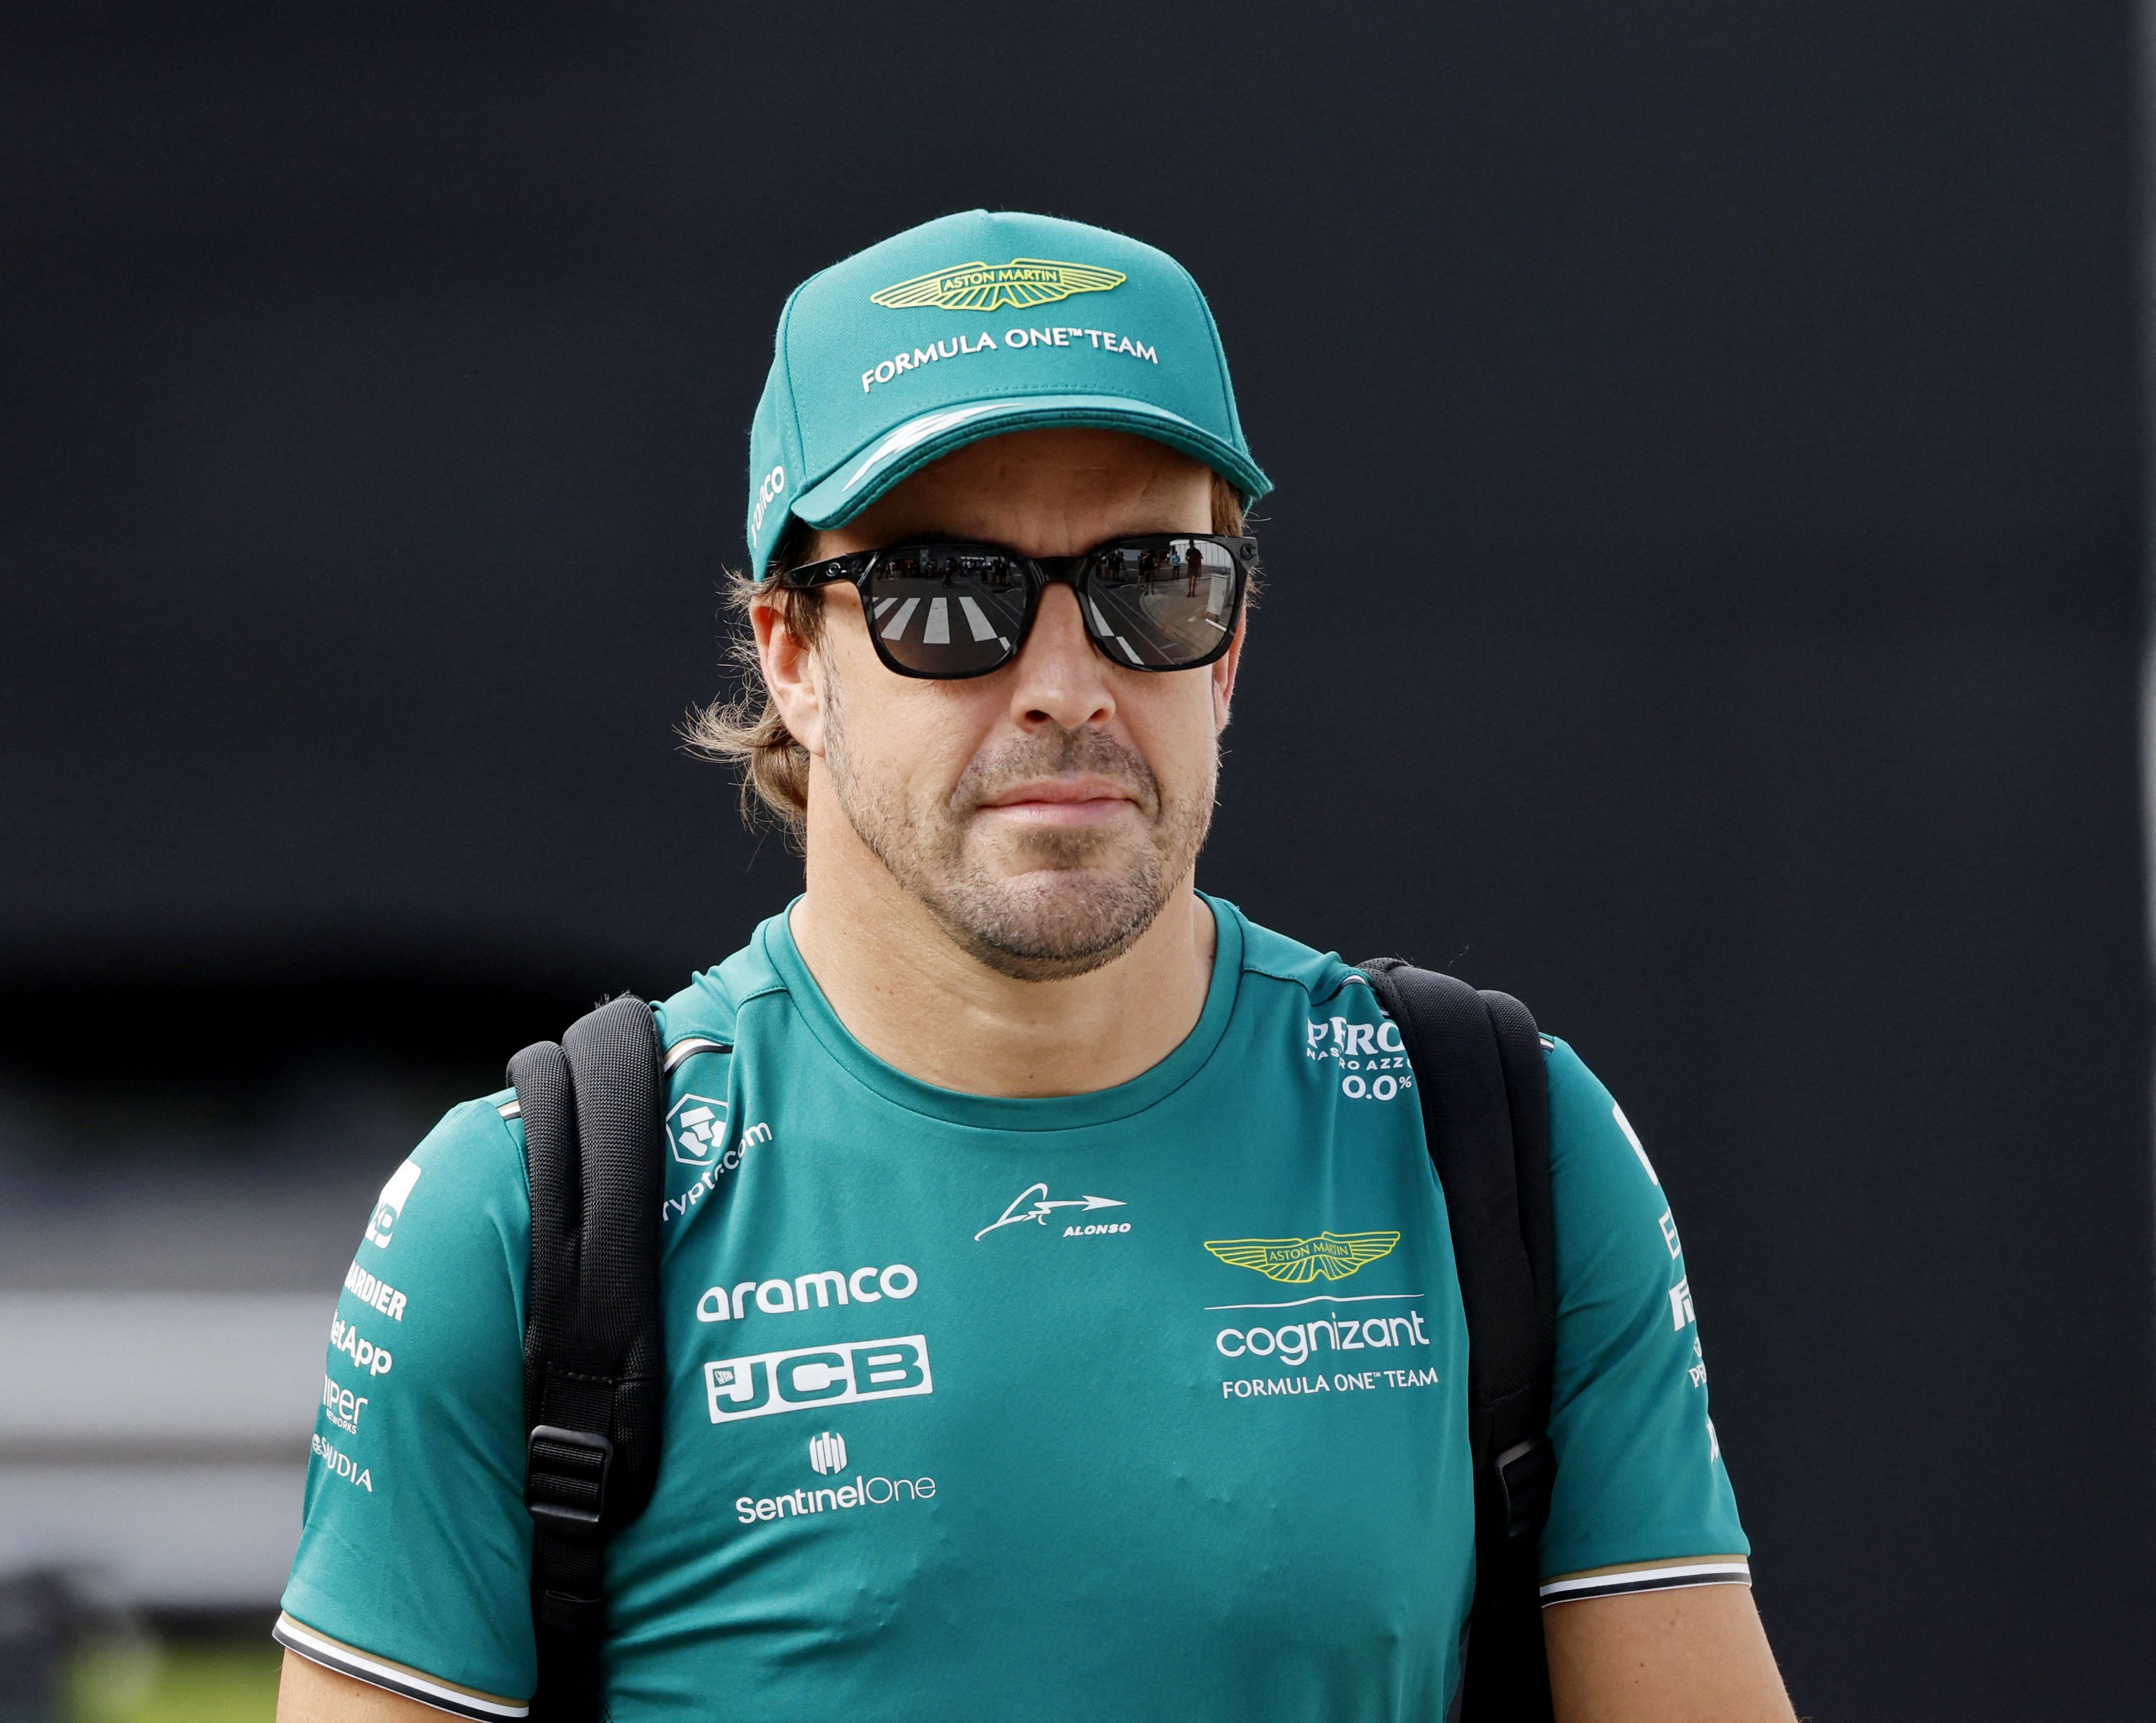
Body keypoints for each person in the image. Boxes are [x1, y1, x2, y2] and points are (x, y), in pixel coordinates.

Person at [272, 210, 1796, 1722]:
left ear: (1233, 644)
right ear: (792, 656)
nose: (1067, 687)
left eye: (1155, 581)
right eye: (948, 596)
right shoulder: (529, 1224)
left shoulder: (1494, 1144)